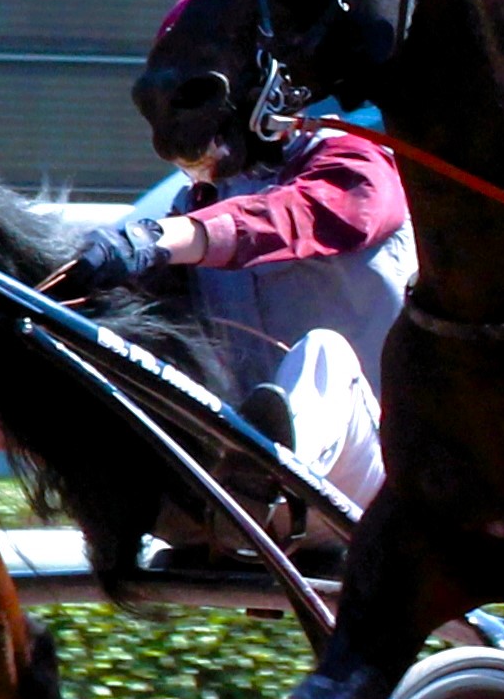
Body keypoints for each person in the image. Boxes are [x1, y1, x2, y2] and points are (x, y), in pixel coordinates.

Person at [57, 112, 411, 507]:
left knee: (324, 353)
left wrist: (156, 238)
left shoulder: (356, 163)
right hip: (262, 483)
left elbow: (295, 215)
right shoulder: (199, 202)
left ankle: (254, 493)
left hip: (383, 481)